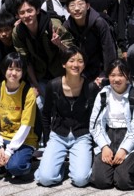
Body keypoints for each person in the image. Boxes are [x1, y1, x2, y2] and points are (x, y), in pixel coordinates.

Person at [35, 46, 99, 187]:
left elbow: (96, 118)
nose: (76, 65)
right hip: (58, 135)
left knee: (81, 180)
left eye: (80, 61)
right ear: (64, 64)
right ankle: (59, 168)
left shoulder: (91, 87)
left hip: (82, 136)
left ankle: (71, 167)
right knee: (45, 179)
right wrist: (47, 141)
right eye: (71, 60)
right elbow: (45, 115)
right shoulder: (54, 85)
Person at [89, 59, 134, 190]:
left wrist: (124, 149)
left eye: (121, 75)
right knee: (100, 180)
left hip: (128, 137)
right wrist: (104, 147)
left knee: (123, 182)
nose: (116, 79)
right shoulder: (103, 94)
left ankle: (132, 171)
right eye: (112, 75)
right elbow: (94, 124)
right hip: (107, 136)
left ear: (128, 76)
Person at [12, 0, 73, 101]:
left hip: (62, 75)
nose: (26, 15)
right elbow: (26, 60)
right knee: (36, 103)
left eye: (30, 11)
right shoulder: (18, 32)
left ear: (38, 10)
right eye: (22, 12)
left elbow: (73, 54)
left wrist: (60, 44)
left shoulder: (54, 25)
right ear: (17, 15)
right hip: (40, 76)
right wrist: (35, 85)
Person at [63, 0, 117, 85]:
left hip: (99, 68)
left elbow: (108, 51)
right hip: (79, 69)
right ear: (67, 9)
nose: (76, 9)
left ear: (88, 6)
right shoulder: (67, 26)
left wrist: (106, 75)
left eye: (80, 4)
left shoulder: (99, 23)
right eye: (72, 5)